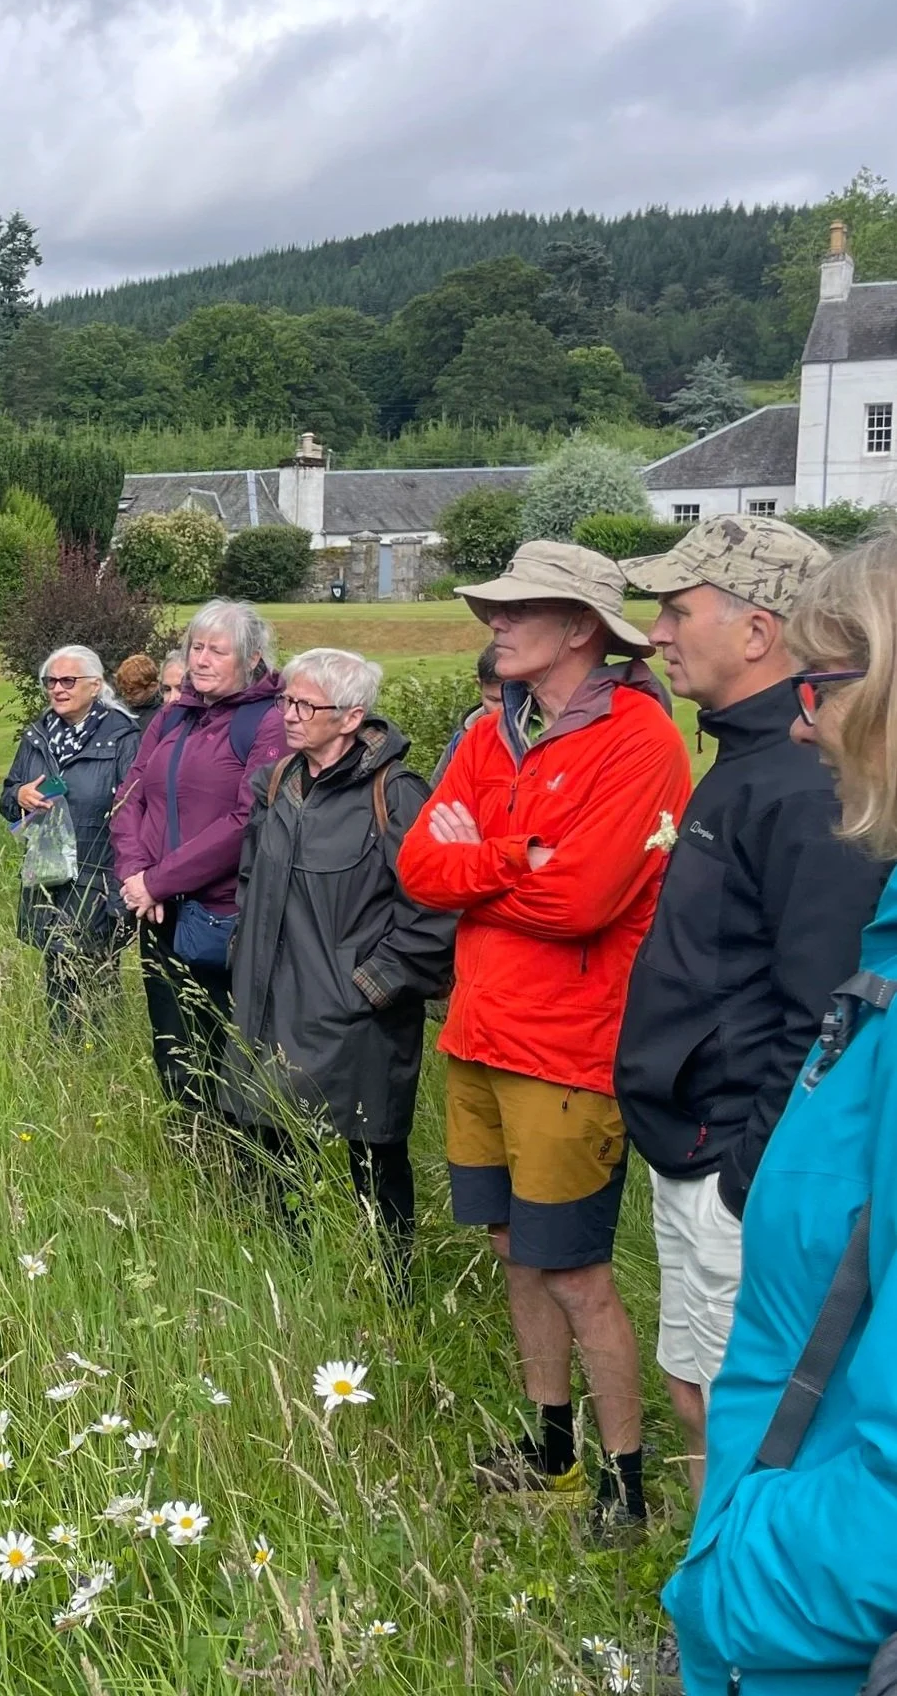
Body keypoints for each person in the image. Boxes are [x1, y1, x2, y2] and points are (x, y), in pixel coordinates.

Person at [399, 541, 692, 1541]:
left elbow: (580, 902)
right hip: (478, 1033)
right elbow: (417, 866)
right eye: (497, 605)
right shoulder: (495, 730)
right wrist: (519, 855)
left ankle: (624, 1481)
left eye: (519, 608)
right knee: (512, 1250)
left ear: (580, 627)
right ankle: (552, 1450)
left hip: (568, 1051)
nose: (497, 621)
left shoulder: (640, 738)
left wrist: (481, 865)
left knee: (573, 1270)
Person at [663, 534, 897, 1695]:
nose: (802, 726)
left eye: (825, 687)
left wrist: (724, 1587)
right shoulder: (883, 948)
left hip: (812, 1631)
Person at [613, 518, 890, 1499]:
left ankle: (731, 1577)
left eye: (676, 610)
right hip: (698, 1139)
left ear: (758, 629)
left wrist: (745, 1174)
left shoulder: (812, 781)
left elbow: (823, 1008)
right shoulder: (747, 758)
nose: (656, 632)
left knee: (749, 1412)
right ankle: (706, 1569)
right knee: (696, 1390)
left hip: (735, 1153)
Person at [224, 648, 456, 1285]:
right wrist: (244, 955)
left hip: (358, 1018)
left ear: (351, 717)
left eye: (306, 705)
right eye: (287, 701)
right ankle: (291, 1291)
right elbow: (250, 879)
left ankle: (393, 1294)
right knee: (273, 1153)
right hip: (269, 1004)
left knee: (374, 1158)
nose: (289, 715)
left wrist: (373, 985)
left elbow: (434, 908)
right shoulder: (276, 783)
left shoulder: (396, 794)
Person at [112, 599, 288, 1109]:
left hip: (222, 917)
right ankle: (188, 1149)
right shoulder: (173, 716)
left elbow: (246, 821)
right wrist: (136, 875)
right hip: (156, 910)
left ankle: (234, 1153)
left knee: (226, 1052)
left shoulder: (268, 723)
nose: (201, 660)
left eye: (217, 650)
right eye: (196, 648)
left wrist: (158, 881)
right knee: (173, 1049)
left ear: (252, 658)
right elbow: (129, 797)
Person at [0, 645, 143, 1034]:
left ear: (95, 686)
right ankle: (64, 1048)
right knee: (57, 965)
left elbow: (137, 811)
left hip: (97, 874)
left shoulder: (122, 737)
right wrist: (19, 795)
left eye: (68, 680)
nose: (57, 689)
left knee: (94, 968)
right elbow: (7, 798)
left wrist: (125, 883)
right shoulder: (37, 736)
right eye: (51, 681)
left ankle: (100, 1048)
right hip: (47, 874)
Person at [433, 646, 504, 785]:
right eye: (494, 700)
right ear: (479, 686)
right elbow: (434, 794)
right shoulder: (460, 743)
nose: (502, 711)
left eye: (514, 700)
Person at [114, 652, 166, 744]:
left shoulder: (164, 712)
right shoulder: (123, 711)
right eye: (124, 692)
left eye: (135, 693)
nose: (128, 697)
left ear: (152, 686)